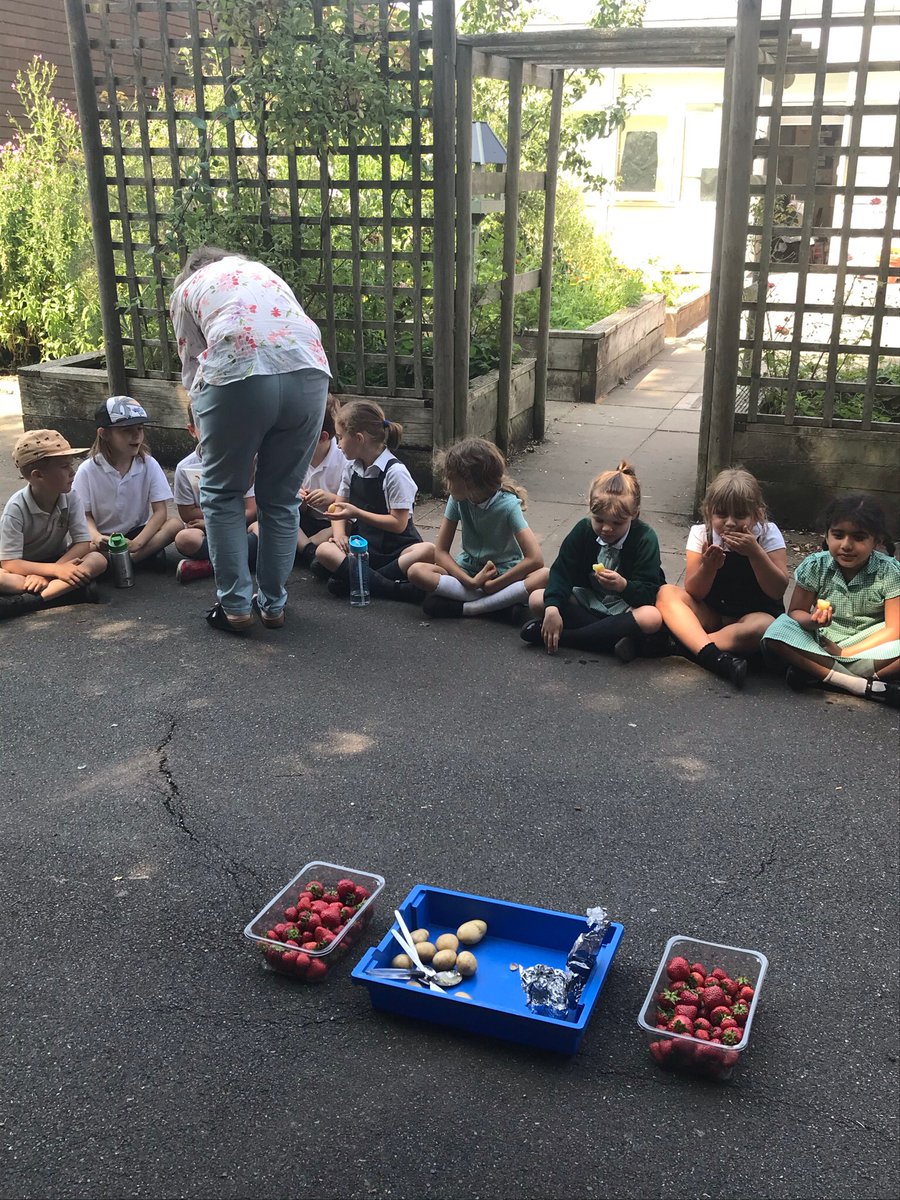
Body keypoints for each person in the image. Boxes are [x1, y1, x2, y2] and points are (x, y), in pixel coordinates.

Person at [169, 246, 331, 632]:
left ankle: (236, 607)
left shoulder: (188, 288)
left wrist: (217, 428)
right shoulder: (261, 271)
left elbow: (192, 366)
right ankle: (273, 605)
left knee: (223, 494)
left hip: (237, 372)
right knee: (282, 498)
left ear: (191, 270)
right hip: (309, 373)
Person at [761, 494, 900, 708]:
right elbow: (796, 612)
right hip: (822, 644)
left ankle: (819, 675)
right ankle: (860, 685)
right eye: (838, 535)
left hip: (869, 646)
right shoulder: (816, 566)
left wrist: (846, 653)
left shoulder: (888, 571)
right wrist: (813, 621)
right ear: (826, 536)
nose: (846, 545)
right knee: (777, 631)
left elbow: (893, 629)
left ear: (877, 540)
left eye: (859, 537)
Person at [655, 468, 788, 689]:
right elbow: (694, 592)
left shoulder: (767, 534)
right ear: (709, 512)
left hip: (752, 617)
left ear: (756, 514)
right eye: (721, 515)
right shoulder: (702, 534)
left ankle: (682, 645)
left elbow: (777, 589)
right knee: (666, 593)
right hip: (713, 614)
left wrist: (755, 553)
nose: (729, 523)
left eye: (739, 515)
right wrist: (708, 567)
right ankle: (715, 657)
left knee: (766, 627)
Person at [520, 462, 664, 656]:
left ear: (634, 514)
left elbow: (649, 591)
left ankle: (567, 638)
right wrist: (553, 608)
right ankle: (616, 639)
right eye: (599, 520)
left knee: (652, 617)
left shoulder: (645, 538)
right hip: (590, 599)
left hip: (626, 606)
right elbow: (562, 571)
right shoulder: (583, 530)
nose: (606, 528)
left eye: (617, 523)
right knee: (537, 600)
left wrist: (623, 585)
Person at [404, 437, 543, 620]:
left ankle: (470, 608)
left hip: (502, 576)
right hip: (467, 572)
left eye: (451, 479)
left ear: (470, 483)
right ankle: (497, 606)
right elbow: (441, 552)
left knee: (545, 575)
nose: (446, 484)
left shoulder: (508, 506)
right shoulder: (457, 500)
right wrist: (469, 581)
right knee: (416, 571)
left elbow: (535, 559)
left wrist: (494, 585)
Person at [315, 399, 424, 601]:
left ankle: (354, 579)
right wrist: (340, 535)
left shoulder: (395, 472)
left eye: (340, 438)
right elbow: (338, 508)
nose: (338, 445)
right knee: (324, 551)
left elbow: (399, 525)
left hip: (397, 548)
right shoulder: (351, 468)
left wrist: (357, 513)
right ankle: (390, 587)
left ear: (358, 438)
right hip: (363, 547)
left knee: (427, 550)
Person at [0, 429, 107, 619]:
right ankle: (67, 593)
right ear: (38, 475)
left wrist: (53, 571)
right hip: (23, 570)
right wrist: (55, 572)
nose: (72, 472)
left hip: (58, 560)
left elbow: (82, 543)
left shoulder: (71, 497)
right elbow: (10, 562)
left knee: (98, 560)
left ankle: (27, 602)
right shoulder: (15, 509)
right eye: (65, 466)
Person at [72, 397, 181, 571]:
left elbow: (160, 512)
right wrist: (96, 536)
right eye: (126, 430)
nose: (136, 435)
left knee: (175, 524)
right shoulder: (88, 470)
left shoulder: (148, 464)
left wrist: (138, 543)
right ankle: (139, 559)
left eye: (140, 429)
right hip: (105, 539)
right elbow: (84, 515)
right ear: (104, 434)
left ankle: (128, 560)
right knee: (85, 548)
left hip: (135, 533)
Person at [173, 403, 258, 584]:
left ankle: (211, 566)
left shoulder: (242, 460)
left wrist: (209, 517)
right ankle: (244, 561)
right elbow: (187, 513)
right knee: (184, 539)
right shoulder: (184, 467)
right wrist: (210, 521)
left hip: (241, 526)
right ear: (192, 430)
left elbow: (251, 510)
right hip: (209, 529)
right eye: (207, 426)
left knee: (265, 529)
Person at [295, 395, 347, 569]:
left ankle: (304, 550)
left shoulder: (344, 458)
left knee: (345, 527)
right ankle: (309, 551)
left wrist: (331, 498)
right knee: (279, 517)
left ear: (323, 437)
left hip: (334, 524)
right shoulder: (295, 458)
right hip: (305, 522)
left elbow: (356, 505)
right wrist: (299, 501)